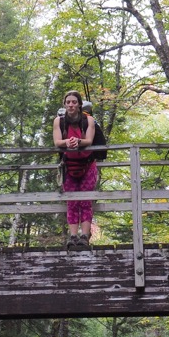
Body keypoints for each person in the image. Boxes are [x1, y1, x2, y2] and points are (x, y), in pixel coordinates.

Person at [52, 90, 98, 249]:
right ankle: (72, 237)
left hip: (88, 165)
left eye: (74, 102)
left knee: (85, 200)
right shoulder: (59, 121)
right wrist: (67, 143)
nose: (71, 105)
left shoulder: (88, 120)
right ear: (64, 104)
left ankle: (84, 237)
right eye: (68, 102)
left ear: (79, 104)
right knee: (71, 201)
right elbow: (57, 142)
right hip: (69, 166)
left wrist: (78, 141)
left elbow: (89, 140)